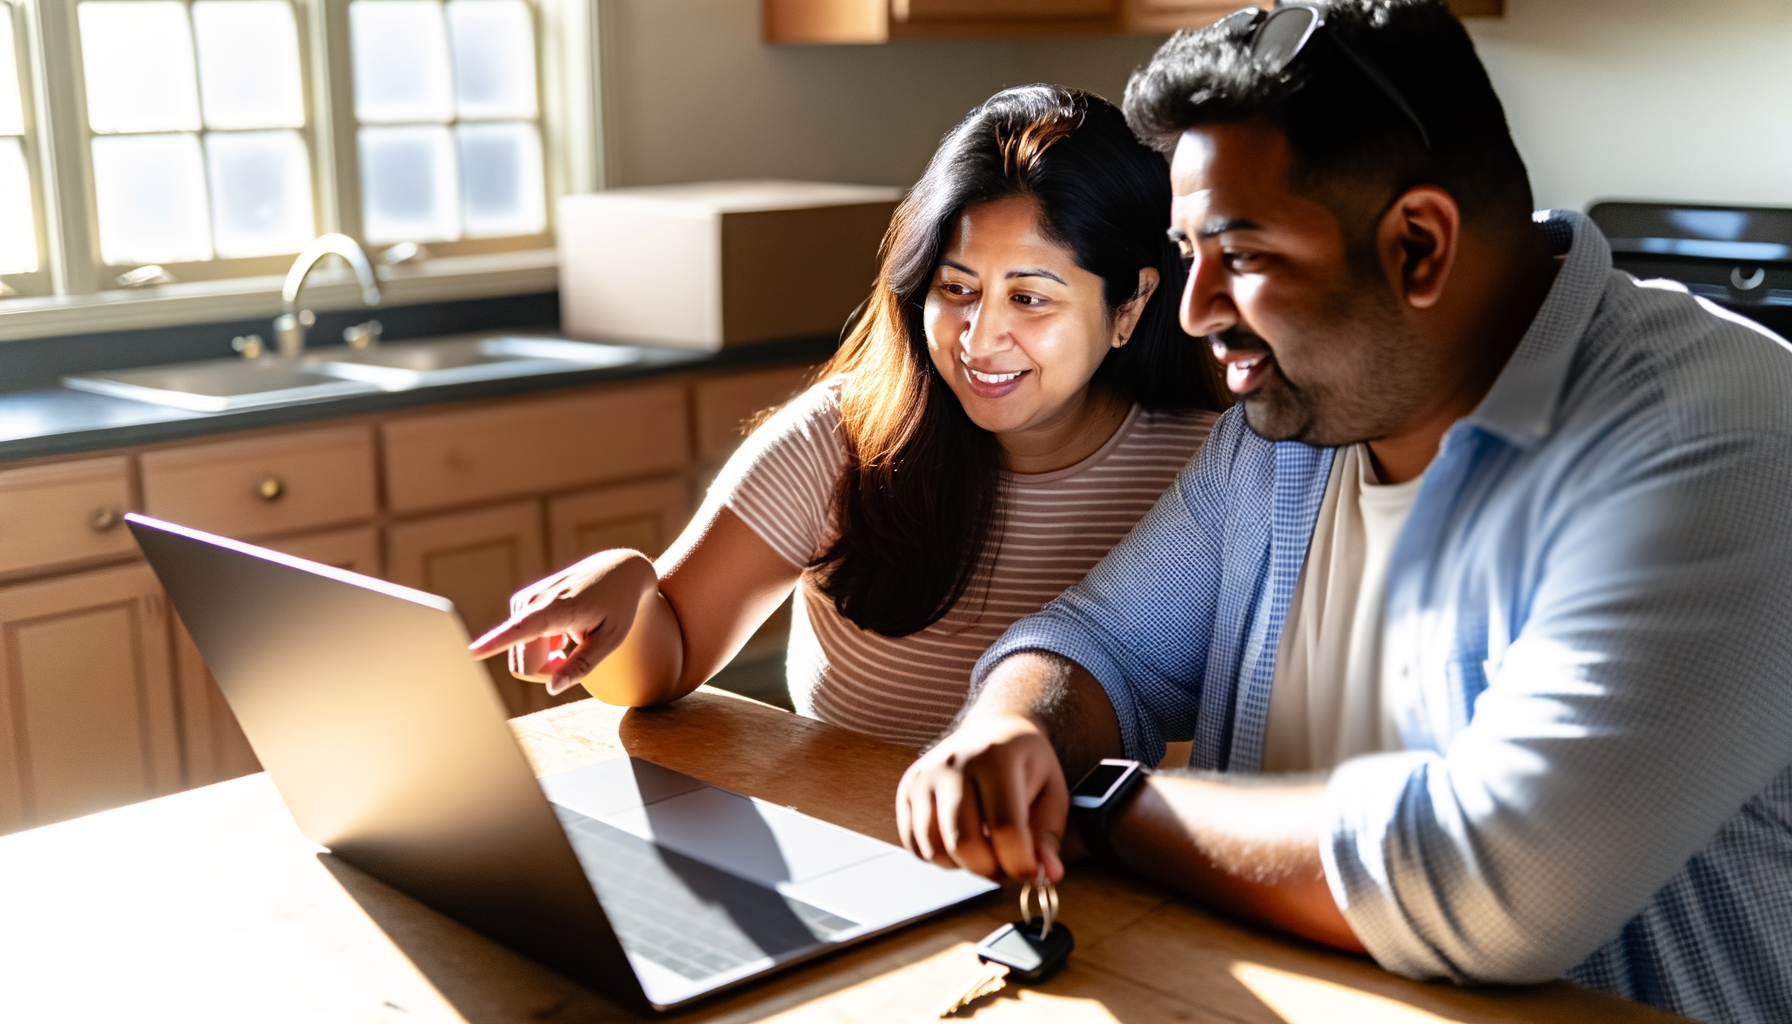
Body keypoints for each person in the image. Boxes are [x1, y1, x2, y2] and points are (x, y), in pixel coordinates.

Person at [895, 4, 1792, 1022]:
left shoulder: (1726, 442)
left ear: (1417, 245)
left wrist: (1102, 802)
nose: (1195, 312)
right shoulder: (1291, 423)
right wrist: (1008, 730)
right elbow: (1102, 644)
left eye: (1242, 258)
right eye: (1188, 254)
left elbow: (1495, 878)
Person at [470, 86, 1225, 748]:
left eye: (1028, 299)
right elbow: (663, 660)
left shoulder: (1215, 474)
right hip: (852, 842)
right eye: (956, 289)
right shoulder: (842, 437)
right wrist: (628, 584)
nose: (978, 338)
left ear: (1130, 305)